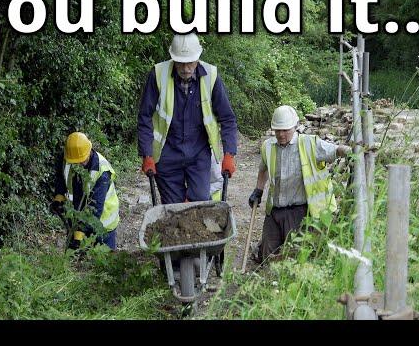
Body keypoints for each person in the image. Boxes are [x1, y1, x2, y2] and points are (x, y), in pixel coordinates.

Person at [137, 33, 238, 204]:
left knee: (199, 201)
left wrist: (229, 153)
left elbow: (227, 118)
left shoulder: (211, 76)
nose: (185, 68)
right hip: (167, 153)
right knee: (173, 208)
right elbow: (145, 116)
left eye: (190, 62)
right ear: (173, 59)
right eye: (181, 63)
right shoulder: (158, 74)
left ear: (198, 57)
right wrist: (147, 154)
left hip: (198, 153)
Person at [248, 105, 352, 263]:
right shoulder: (268, 147)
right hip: (274, 211)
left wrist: (351, 152)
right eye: (277, 130)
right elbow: (263, 169)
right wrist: (258, 190)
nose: (281, 134)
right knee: (267, 258)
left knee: (293, 257)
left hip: (299, 212)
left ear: (295, 127)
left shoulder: (310, 144)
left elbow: (336, 150)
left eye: (285, 130)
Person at [50, 132, 120, 250]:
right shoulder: (67, 159)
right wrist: (59, 199)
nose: (79, 164)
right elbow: (61, 179)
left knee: (104, 263)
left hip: (103, 225)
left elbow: (95, 208)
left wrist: (79, 234)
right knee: (75, 263)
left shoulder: (102, 172)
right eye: (75, 161)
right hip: (77, 220)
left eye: (82, 160)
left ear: (89, 150)